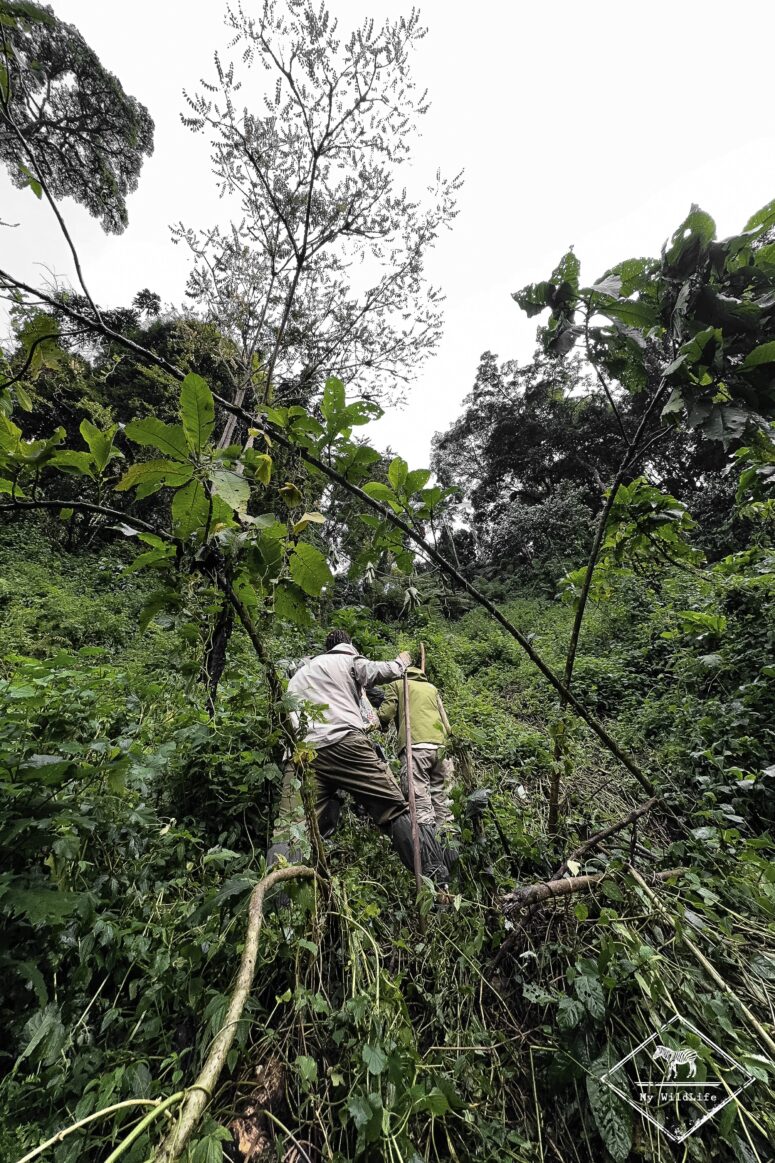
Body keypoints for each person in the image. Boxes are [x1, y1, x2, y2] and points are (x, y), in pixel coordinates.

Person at [268, 630, 448, 886]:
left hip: (302, 754)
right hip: (345, 744)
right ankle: (436, 881)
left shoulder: (301, 672)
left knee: (291, 830)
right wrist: (401, 662)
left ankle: (280, 910)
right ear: (348, 645)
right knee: (394, 808)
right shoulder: (346, 659)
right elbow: (376, 672)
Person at [378, 663, 459, 862]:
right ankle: (453, 860)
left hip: (416, 748)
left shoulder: (398, 684)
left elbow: (386, 714)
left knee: (421, 807)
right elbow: (447, 724)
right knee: (443, 806)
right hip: (441, 749)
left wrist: (377, 721)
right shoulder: (431, 688)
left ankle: (432, 864)